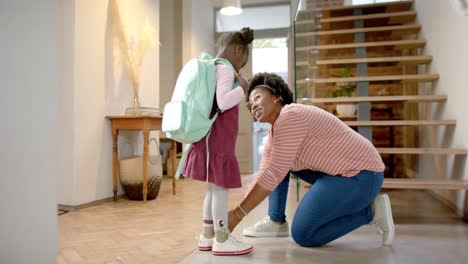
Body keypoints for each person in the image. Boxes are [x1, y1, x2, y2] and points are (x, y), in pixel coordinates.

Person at [227, 72, 395, 247]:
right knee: (277, 165)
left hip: (363, 175)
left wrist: (237, 215)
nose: (254, 105)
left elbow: (273, 174)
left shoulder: (291, 115)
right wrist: (237, 210)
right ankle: (276, 222)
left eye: (258, 97)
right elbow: (263, 175)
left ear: (277, 97)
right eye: (251, 104)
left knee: (304, 234)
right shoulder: (274, 135)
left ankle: (372, 212)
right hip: (339, 173)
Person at [181, 27, 254, 255]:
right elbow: (223, 103)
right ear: (238, 49)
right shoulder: (225, 69)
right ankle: (222, 238)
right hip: (218, 142)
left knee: (213, 191)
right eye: (243, 61)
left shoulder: (213, 67)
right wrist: (242, 89)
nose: (241, 67)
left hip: (210, 140)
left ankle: (207, 235)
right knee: (220, 191)